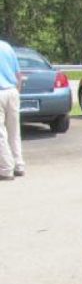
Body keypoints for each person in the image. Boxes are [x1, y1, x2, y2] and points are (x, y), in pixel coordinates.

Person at [0, 38, 24, 181]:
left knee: (1, 133)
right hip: (12, 92)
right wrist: (17, 92)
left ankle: (6, 168)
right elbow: (18, 75)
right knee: (14, 131)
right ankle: (19, 165)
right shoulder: (7, 47)